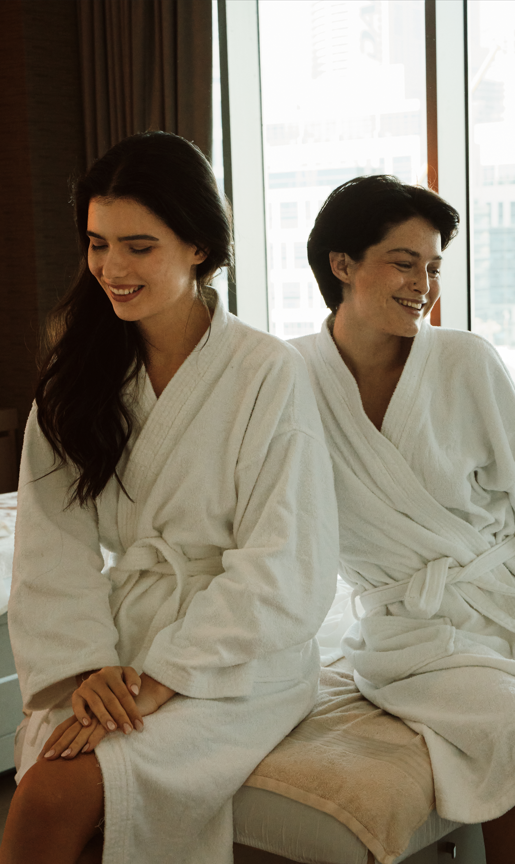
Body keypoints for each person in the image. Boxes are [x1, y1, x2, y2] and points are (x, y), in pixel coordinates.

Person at [2, 131, 339, 864]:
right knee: (54, 791)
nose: (111, 269)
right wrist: (91, 669)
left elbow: (286, 558)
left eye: (138, 247)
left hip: (237, 656)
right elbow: (48, 545)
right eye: (97, 244)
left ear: (199, 248)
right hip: (111, 646)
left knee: (60, 794)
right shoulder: (80, 374)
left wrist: (163, 678)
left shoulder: (266, 373)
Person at [292, 175, 515, 864]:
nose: (424, 283)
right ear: (343, 264)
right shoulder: (286, 378)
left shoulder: (465, 360)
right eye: (405, 261)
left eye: (434, 267)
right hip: (412, 635)